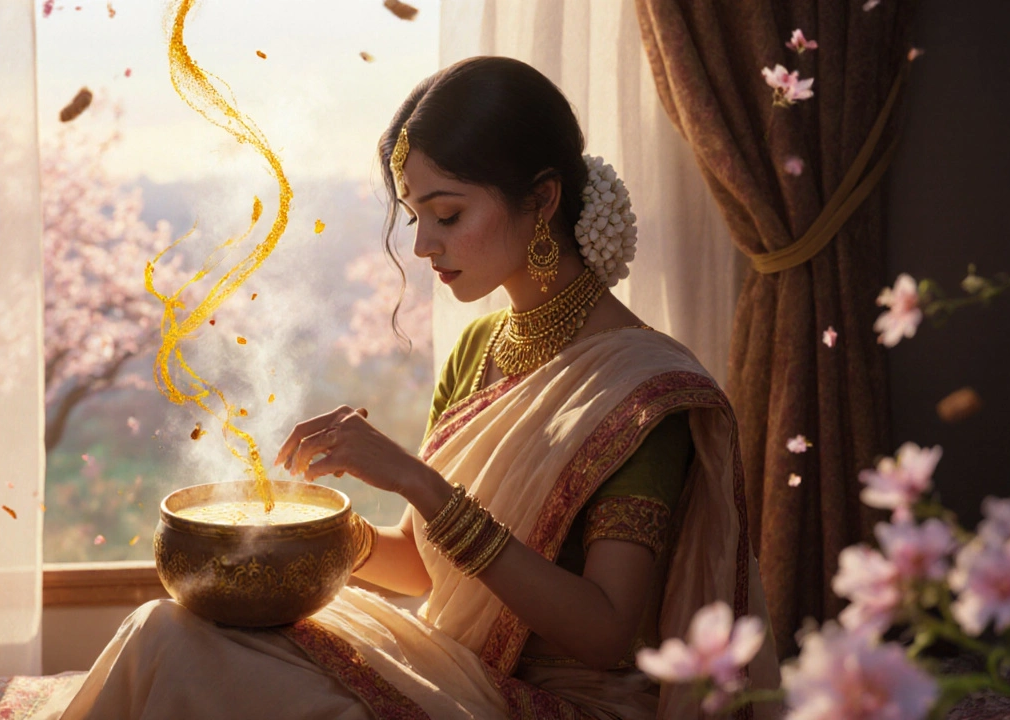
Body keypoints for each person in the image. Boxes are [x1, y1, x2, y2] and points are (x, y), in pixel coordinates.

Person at [47, 56, 779, 720]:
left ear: (543, 199)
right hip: (458, 670)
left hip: (563, 704)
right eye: (415, 217)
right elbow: (422, 563)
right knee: (168, 629)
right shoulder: (477, 351)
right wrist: (294, 536)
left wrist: (415, 480)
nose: (425, 245)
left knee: (184, 660)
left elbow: (603, 631)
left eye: (448, 214)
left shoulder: (644, 392)